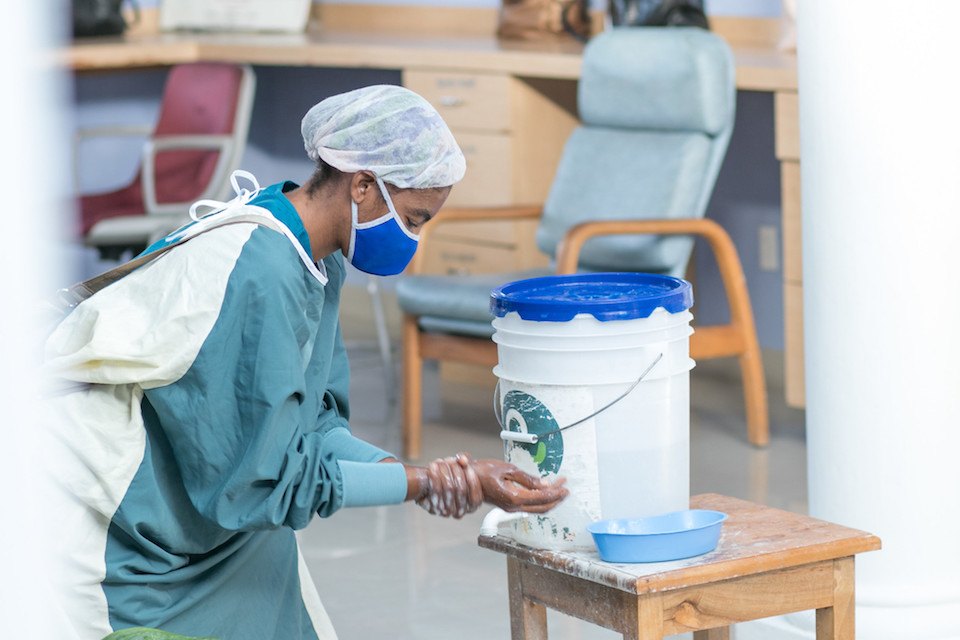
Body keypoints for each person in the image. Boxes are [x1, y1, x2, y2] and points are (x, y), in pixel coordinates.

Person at [44, 85, 567, 640]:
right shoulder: (262, 269)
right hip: (116, 526)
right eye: (414, 218)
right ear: (362, 185)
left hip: (204, 511)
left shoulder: (316, 258)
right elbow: (266, 478)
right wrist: (420, 484)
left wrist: (435, 477)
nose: (414, 238)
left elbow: (313, 428)